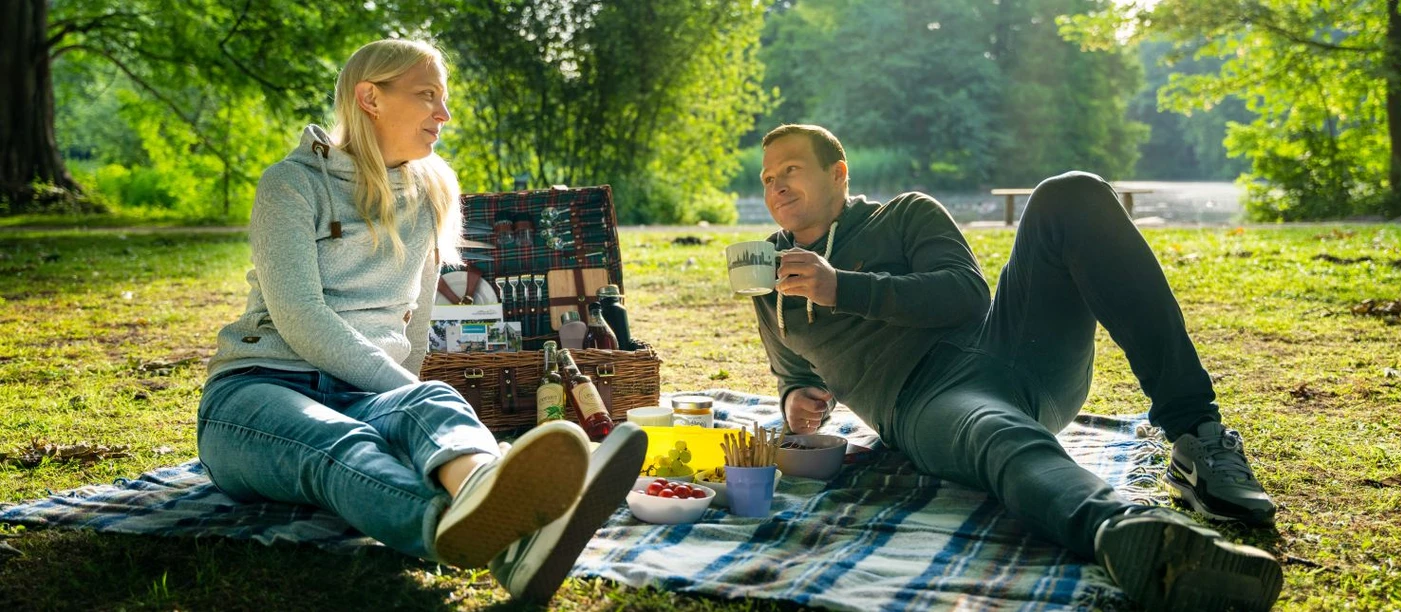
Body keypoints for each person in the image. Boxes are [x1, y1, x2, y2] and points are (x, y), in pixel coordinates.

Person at [750, 124, 1282, 611]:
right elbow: (792, 370)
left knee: (1069, 193)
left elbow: (963, 293)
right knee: (996, 433)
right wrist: (796, 400)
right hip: (923, 400)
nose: (776, 185)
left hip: (1013, 347)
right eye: (768, 177)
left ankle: (1196, 435)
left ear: (838, 174)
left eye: (790, 169)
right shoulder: (766, 274)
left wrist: (842, 286)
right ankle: (1133, 536)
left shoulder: (906, 213)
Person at [196, 39, 646, 606]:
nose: (444, 114)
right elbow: (301, 317)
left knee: (430, 400)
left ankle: (493, 501)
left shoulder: (432, 187)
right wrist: (400, 392)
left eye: (444, 98)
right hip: (257, 390)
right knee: (343, 442)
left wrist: (409, 400)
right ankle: (468, 535)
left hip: (361, 388)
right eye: (427, 96)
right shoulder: (291, 184)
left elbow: (414, 321)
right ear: (370, 98)